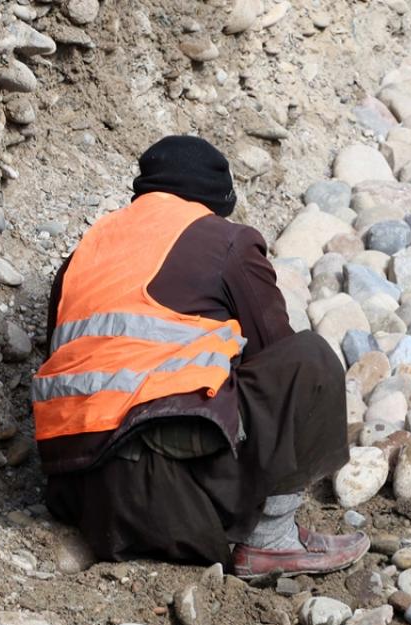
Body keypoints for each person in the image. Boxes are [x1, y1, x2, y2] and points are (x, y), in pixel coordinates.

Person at [34, 135, 368, 578]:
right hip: (168, 500)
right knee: (311, 359)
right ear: (215, 202)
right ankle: (272, 542)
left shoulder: (83, 254)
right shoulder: (225, 240)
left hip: (80, 500)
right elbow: (276, 354)